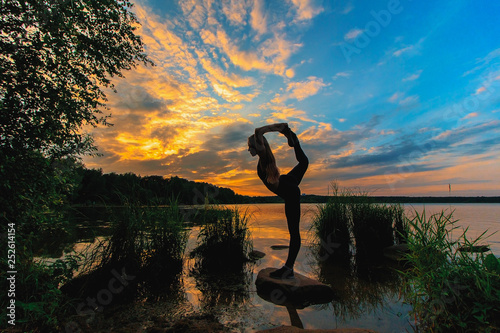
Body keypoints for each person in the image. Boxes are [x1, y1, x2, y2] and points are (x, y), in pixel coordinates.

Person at [248, 123, 308, 279]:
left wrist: (278, 129)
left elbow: (258, 132)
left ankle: (288, 268)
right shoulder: (265, 160)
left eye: (250, 146)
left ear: (258, 145)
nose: (248, 149)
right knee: (304, 163)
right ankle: (294, 142)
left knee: (294, 232)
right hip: (287, 181)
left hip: (290, 192)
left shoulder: (263, 158)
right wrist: (285, 132)